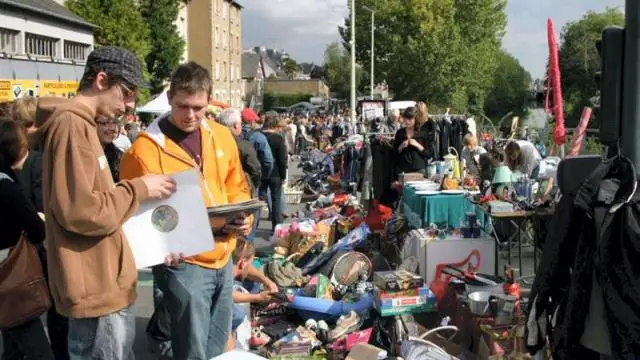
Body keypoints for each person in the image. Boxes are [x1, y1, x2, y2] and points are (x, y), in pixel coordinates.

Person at [38, 46, 177, 359]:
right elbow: (82, 211)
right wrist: (138, 188)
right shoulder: (73, 126)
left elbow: (90, 205)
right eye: (126, 93)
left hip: (101, 284)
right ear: (101, 80)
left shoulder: (82, 125)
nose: (128, 106)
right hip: (96, 289)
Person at [120, 61, 253, 359]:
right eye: (183, 106)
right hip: (184, 262)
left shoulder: (220, 135)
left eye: (198, 107)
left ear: (208, 100)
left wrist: (246, 217)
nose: (191, 115)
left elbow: (236, 185)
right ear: (169, 98)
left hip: (223, 255)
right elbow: (133, 213)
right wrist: (158, 249)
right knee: (192, 350)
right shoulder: (144, 150)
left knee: (217, 345)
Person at [0, 118, 53, 359]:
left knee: (12, 342)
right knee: (36, 347)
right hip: (9, 273)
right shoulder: (6, 187)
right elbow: (36, 228)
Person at [226, 238, 280, 351]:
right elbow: (226, 295)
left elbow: (247, 268)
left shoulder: (229, 251)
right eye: (250, 262)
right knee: (237, 314)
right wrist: (258, 298)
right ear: (243, 263)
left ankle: (250, 317)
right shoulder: (223, 275)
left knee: (254, 282)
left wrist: (267, 281)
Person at [217, 108, 262, 197]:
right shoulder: (243, 145)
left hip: (219, 192)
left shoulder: (212, 142)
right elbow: (255, 170)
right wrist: (251, 185)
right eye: (241, 123)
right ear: (236, 126)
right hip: (240, 191)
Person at [261, 113, 288, 231]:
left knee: (259, 199)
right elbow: (282, 159)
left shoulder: (258, 136)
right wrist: (283, 176)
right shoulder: (278, 138)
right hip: (275, 173)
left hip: (260, 172)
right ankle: (276, 228)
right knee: (276, 199)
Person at [393, 106, 432, 177]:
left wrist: (417, 145)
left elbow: (429, 154)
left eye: (410, 119)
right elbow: (394, 153)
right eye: (405, 118)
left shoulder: (423, 133)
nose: (407, 121)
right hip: (403, 169)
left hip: (419, 170)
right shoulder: (400, 133)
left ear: (416, 119)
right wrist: (401, 146)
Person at [96, 116, 124, 182]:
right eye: (105, 123)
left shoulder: (119, 156)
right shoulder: (83, 153)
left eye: (115, 123)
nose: (112, 128)